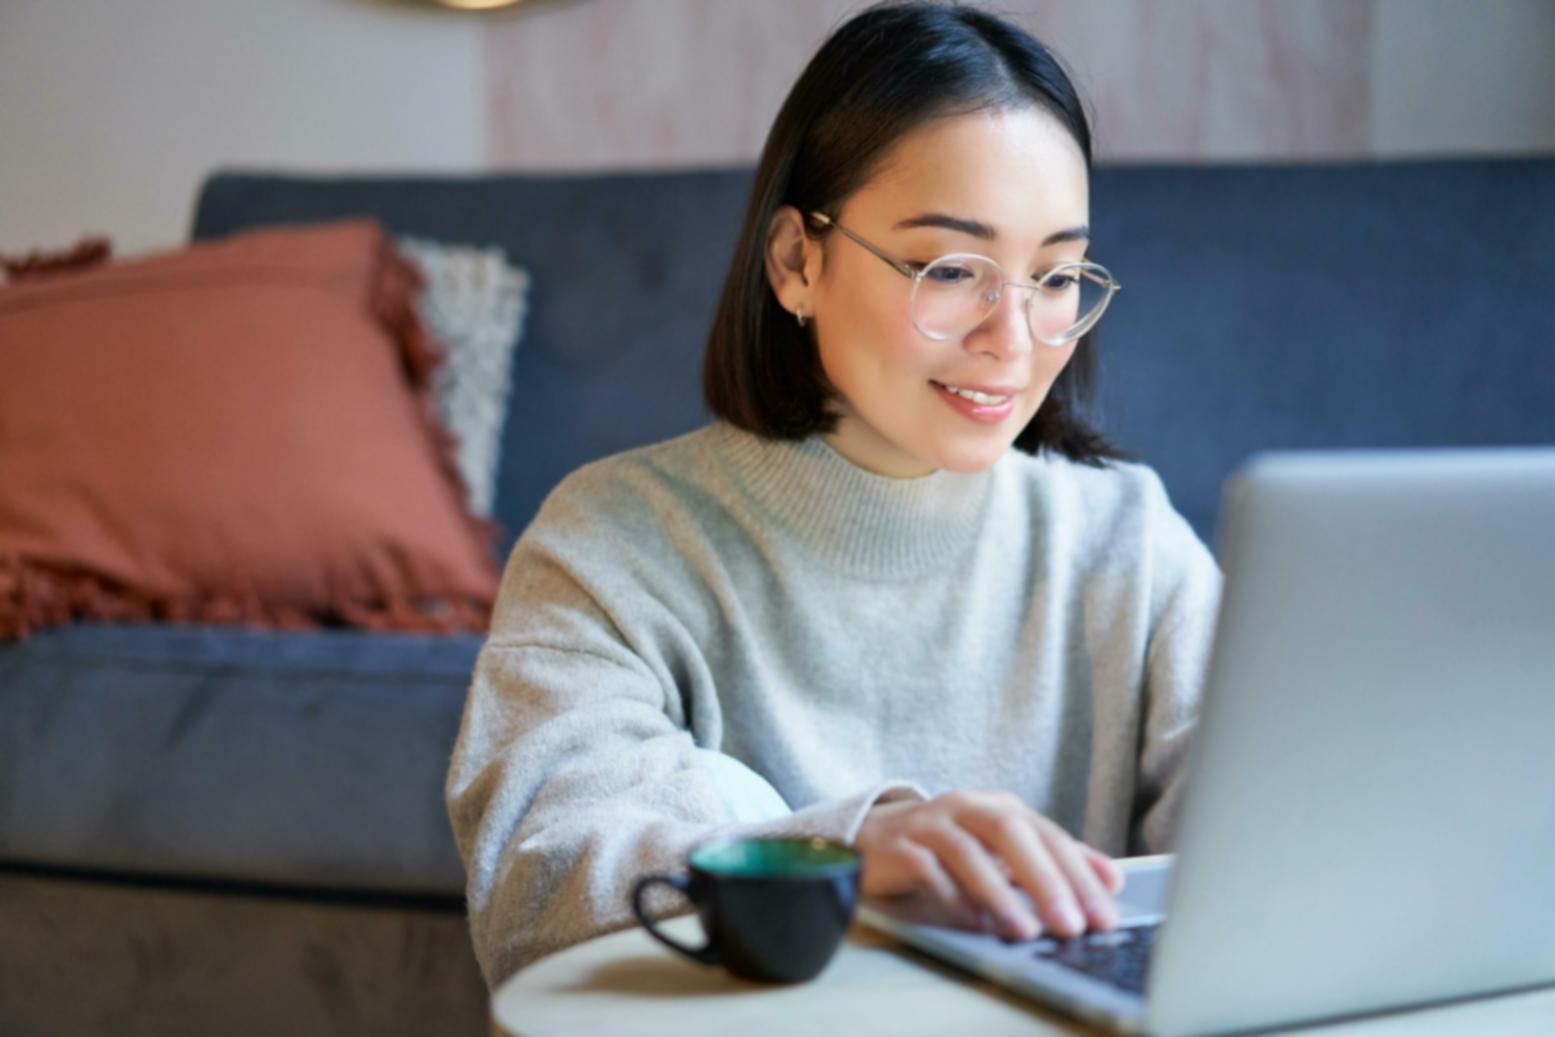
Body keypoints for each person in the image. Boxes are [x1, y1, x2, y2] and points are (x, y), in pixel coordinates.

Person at [446, 0, 1222, 989]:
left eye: (1057, 274)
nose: (1015, 338)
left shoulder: (1127, 537)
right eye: (951, 267)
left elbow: (1272, 825)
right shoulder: (611, 541)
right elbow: (535, 877)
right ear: (795, 262)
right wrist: (853, 849)